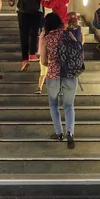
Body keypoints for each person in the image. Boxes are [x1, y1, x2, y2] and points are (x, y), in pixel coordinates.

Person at [41, 12, 77, 150]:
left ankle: (59, 133)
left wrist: (52, 65)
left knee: (53, 104)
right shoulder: (68, 34)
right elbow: (77, 52)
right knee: (68, 105)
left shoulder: (47, 38)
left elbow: (44, 61)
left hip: (54, 75)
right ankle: (70, 132)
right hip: (70, 74)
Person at [10, 0, 49, 71]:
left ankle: (24, 60)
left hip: (22, 11)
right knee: (34, 32)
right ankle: (32, 54)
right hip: (37, 10)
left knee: (24, 34)